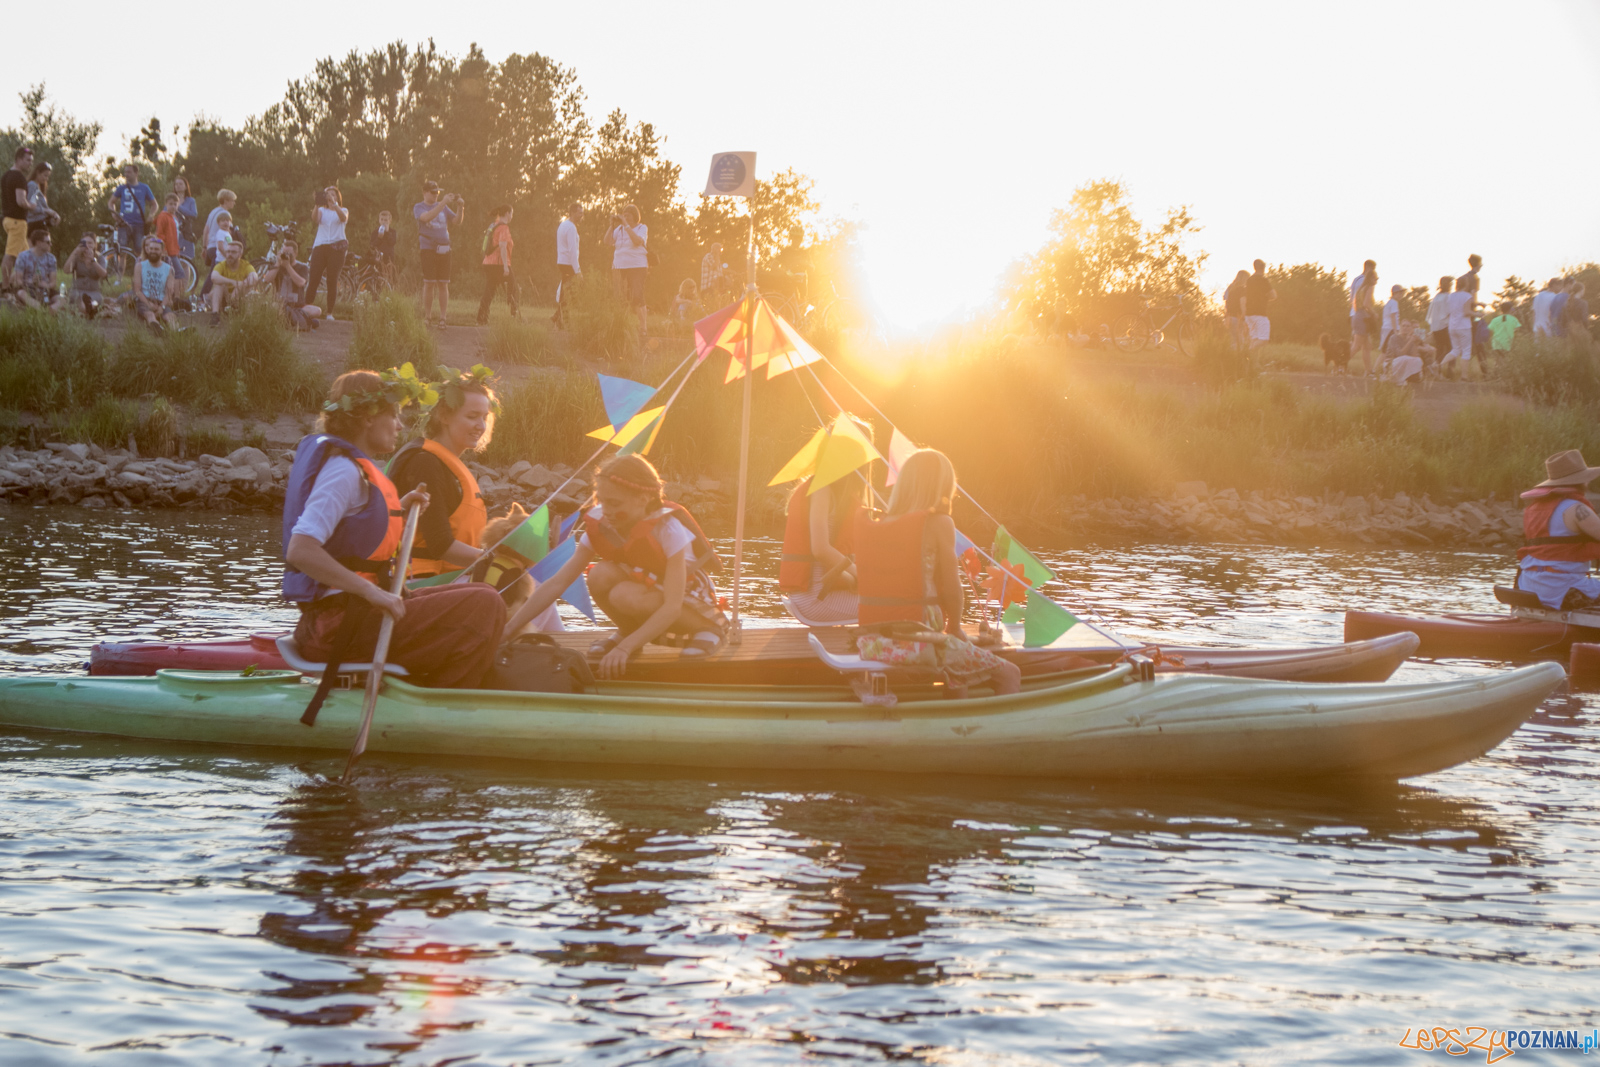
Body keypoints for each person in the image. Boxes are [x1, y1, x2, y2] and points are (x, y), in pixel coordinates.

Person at [283, 370, 507, 694]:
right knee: (485, 605)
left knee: (483, 596)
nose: (400, 426)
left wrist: (399, 508)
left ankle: (433, 688)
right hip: (338, 628)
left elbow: (356, 534)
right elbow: (300, 550)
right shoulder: (343, 472)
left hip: (354, 617)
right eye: (393, 415)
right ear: (368, 418)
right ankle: (446, 702)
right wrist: (372, 591)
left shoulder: (355, 471)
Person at [503, 454, 727, 678]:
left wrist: (624, 649)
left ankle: (708, 630)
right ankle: (629, 632)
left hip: (687, 597)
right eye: (600, 500)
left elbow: (672, 606)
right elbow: (557, 583)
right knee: (598, 574)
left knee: (624, 594)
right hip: (645, 585)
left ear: (643, 498)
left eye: (614, 503)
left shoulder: (669, 528)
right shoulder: (603, 523)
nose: (606, 510)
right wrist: (510, 628)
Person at [388, 370, 564, 632]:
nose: (480, 426)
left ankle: (554, 656)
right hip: (424, 585)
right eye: (471, 417)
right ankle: (549, 658)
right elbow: (440, 545)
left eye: (484, 417)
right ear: (444, 416)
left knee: (539, 590)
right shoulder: (425, 463)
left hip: (455, 576)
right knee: (535, 593)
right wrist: (498, 561)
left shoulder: (447, 462)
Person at [850, 449, 1022, 695]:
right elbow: (952, 589)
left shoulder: (876, 523)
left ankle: (950, 718)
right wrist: (954, 629)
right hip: (920, 642)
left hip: (872, 642)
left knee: (957, 672)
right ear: (943, 487)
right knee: (1010, 673)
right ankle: (1010, 728)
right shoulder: (939, 523)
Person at [778, 458, 872, 625]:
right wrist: (860, 574)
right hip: (814, 598)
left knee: (889, 598)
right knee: (892, 608)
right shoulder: (821, 489)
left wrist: (854, 579)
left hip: (823, 593)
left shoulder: (838, 494)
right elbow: (820, 550)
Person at [1515, 450, 1600, 610]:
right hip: (1563, 590)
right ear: (1582, 481)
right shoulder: (1577, 508)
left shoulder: (1533, 508)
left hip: (1528, 586)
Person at [414, 180, 462, 328]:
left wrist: (461, 206)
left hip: (444, 249)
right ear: (424, 192)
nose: (436, 195)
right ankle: (428, 316)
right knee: (429, 283)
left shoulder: (444, 207)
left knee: (443, 283)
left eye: (438, 193)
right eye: (433, 192)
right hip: (428, 248)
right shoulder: (419, 207)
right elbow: (426, 218)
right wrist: (442, 202)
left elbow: (456, 221)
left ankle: (443, 317)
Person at [304, 185, 349, 320]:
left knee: (332, 279)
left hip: (336, 248)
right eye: (327, 194)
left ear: (337, 197)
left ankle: (329, 312)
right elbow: (315, 219)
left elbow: (343, 218)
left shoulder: (343, 210)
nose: (330, 197)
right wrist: (317, 203)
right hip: (320, 246)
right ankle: (307, 308)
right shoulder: (322, 210)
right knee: (314, 278)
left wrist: (334, 204)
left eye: (333, 194)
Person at [260, 238, 321, 329]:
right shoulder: (277, 266)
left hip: (298, 306)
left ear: (296, 254)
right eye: (284, 253)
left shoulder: (302, 267)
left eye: (289, 253)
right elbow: (266, 280)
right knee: (273, 307)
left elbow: (301, 283)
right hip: (279, 303)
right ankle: (297, 320)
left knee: (317, 311)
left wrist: (288, 266)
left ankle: (288, 319)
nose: (286, 255)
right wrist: (277, 264)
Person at [609, 204, 649, 337]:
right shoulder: (619, 229)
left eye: (628, 216)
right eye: (623, 215)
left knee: (637, 296)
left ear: (635, 216)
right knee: (620, 297)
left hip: (637, 266)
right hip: (619, 266)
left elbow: (637, 241)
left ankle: (643, 327)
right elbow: (607, 241)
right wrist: (611, 226)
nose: (625, 218)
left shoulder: (641, 228)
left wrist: (626, 225)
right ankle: (622, 325)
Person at [476, 203, 519, 326]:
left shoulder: (493, 225)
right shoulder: (504, 227)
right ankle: (513, 316)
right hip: (499, 264)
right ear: (507, 213)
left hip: (488, 262)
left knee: (489, 290)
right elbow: (503, 246)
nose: (512, 216)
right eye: (512, 213)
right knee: (514, 288)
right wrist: (506, 266)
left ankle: (481, 318)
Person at [2, 145, 33, 294]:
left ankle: (19, 284)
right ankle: (6, 287)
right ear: (19, 159)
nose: (30, 164)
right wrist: (32, 206)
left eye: (31, 161)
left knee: (27, 256)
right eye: (27, 160)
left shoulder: (6, 175)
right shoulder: (19, 177)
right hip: (17, 221)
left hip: (7, 219)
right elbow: (21, 201)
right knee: (11, 255)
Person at [108, 164, 157, 255]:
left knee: (140, 250)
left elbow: (154, 204)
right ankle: (120, 269)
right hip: (123, 224)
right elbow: (111, 202)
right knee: (121, 251)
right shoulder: (121, 188)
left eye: (129, 172)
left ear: (136, 173)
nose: (126, 174)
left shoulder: (144, 188)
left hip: (139, 224)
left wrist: (151, 216)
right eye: (125, 172)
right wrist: (114, 214)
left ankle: (139, 268)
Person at [133, 235, 178, 329]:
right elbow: (137, 290)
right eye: (151, 248)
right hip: (145, 300)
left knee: (170, 317)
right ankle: (156, 328)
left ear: (162, 251)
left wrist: (162, 307)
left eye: (156, 249)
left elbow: (169, 292)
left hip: (162, 301)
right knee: (150, 314)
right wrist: (148, 304)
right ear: (148, 250)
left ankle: (177, 332)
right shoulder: (139, 266)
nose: (153, 251)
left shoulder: (169, 269)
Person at [199, 188, 236, 301]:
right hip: (218, 248)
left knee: (215, 274)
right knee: (214, 275)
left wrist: (204, 247)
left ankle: (213, 296)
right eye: (232, 200)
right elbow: (228, 232)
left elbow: (206, 230)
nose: (234, 203)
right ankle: (202, 298)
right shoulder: (225, 214)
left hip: (210, 246)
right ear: (225, 200)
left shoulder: (213, 211)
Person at [207, 240, 257, 324]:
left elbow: (254, 278)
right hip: (224, 298)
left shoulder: (245, 265)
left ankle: (248, 319)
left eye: (233, 252)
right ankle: (215, 315)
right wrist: (233, 282)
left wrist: (239, 286)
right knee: (218, 286)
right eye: (228, 252)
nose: (230, 255)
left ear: (240, 254)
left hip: (239, 298)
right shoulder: (222, 265)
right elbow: (214, 277)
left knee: (250, 289)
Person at [12, 228, 59, 313]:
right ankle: (42, 310)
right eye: (48, 242)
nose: (51, 244)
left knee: (62, 298)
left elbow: (53, 283)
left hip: (45, 289)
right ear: (38, 243)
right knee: (21, 293)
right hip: (28, 288)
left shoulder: (51, 258)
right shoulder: (23, 256)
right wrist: (30, 282)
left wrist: (46, 285)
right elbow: (17, 280)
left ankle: (50, 310)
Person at [552, 201, 582, 329]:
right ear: (573, 212)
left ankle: (557, 318)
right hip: (568, 264)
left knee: (565, 292)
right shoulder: (570, 227)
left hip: (562, 262)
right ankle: (564, 320)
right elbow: (572, 251)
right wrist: (578, 270)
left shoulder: (563, 225)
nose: (581, 216)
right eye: (580, 213)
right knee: (568, 294)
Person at [1440, 279, 1477, 379]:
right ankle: (1464, 376)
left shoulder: (1450, 296)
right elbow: (1466, 312)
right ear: (1466, 284)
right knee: (1466, 351)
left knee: (1455, 350)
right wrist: (1478, 314)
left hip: (1452, 326)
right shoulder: (1467, 296)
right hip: (1464, 326)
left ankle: (1439, 365)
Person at [64, 232, 107, 317]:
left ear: (95, 244)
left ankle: (86, 306)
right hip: (77, 291)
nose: (87, 245)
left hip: (93, 292)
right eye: (84, 242)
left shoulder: (100, 257)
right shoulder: (77, 257)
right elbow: (66, 270)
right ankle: (85, 308)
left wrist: (93, 260)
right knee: (74, 297)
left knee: (96, 300)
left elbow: (104, 275)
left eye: (90, 243)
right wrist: (75, 252)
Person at [1349, 259, 1378, 375]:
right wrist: (1373, 313)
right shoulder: (1368, 285)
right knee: (1357, 346)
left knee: (1367, 345)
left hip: (1355, 314)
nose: (1376, 280)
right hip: (1363, 316)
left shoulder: (1356, 280)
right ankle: (1340, 364)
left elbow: (1352, 299)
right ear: (1369, 269)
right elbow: (1366, 303)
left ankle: (1368, 370)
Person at [1382, 321, 1426, 386]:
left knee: (1418, 360)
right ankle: (1391, 377)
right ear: (1400, 327)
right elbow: (1400, 354)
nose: (1405, 328)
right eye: (1403, 326)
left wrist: (1415, 344)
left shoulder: (1411, 338)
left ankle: (1409, 377)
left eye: (1408, 326)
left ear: (1411, 328)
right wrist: (1410, 341)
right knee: (1404, 358)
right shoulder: (1394, 337)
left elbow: (1414, 356)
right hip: (1391, 363)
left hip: (1404, 363)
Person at [1243, 259, 1274, 350]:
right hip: (1260, 313)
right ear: (1263, 268)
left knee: (1255, 339)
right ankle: (1247, 353)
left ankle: (1253, 363)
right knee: (1264, 340)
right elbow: (1273, 295)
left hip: (1249, 314)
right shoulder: (1263, 280)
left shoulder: (1249, 280)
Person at [25, 162, 59, 236]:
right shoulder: (32, 185)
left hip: (41, 224)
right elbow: (30, 207)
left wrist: (53, 214)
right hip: (35, 225)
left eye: (48, 176)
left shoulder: (39, 187)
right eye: (45, 175)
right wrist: (47, 211)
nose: (46, 178)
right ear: (37, 172)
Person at [1427, 276, 1454, 367]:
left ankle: (1437, 370)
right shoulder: (1448, 297)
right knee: (1451, 349)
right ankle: (1448, 370)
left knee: (1440, 348)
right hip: (1445, 326)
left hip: (1435, 327)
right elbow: (1449, 312)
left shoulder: (1436, 297)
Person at [170, 174, 198, 263]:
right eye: (176, 184)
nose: (178, 186)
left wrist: (178, 206)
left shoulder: (191, 200)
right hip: (172, 230)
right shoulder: (170, 200)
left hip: (185, 232)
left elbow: (194, 214)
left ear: (186, 186)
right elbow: (165, 212)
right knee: (172, 258)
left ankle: (186, 277)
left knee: (186, 260)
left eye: (180, 184)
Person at [1223, 269, 1249, 349]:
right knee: (1240, 339)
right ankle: (1240, 358)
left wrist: (1226, 315)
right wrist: (1244, 316)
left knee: (1232, 340)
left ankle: (1231, 358)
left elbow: (1225, 300)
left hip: (1229, 316)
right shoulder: (1242, 289)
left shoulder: (1230, 288)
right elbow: (1242, 303)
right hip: (1238, 317)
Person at [153, 193, 182, 265]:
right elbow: (159, 234)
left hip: (173, 249)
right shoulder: (163, 216)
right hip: (167, 250)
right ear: (166, 204)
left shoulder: (174, 217)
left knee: (171, 273)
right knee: (179, 273)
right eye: (170, 204)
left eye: (175, 204)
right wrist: (163, 249)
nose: (173, 206)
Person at [369, 209, 397, 281]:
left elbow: (393, 242)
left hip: (389, 259)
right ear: (379, 220)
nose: (384, 222)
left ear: (390, 221)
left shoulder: (393, 232)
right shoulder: (375, 232)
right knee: (378, 279)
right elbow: (372, 246)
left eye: (386, 220)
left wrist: (387, 233)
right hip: (378, 259)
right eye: (382, 220)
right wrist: (379, 238)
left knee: (390, 278)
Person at [1566, 282, 1592, 355]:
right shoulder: (1583, 303)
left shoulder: (1567, 302)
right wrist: (1587, 331)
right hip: (1581, 332)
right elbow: (1584, 319)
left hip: (1570, 333)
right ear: (1581, 290)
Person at [701, 241, 729, 306]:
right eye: (719, 249)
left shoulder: (717, 259)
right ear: (713, 249)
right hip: (708, 288)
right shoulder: (708, 256)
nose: (720, 251)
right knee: (710, 307)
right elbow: (714, 266)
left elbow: (719, 272)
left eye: (721, 249)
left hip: (715, 288)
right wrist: (716, 255)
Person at [1380, 284, 1403, 355]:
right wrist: (1395, 330)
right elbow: (1393, 316)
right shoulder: (1394, 303)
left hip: (1386, 327)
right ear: (1395, 293)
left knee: (1387, 350)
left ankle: (1385, 365)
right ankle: (1376, 366)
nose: (1401, 295)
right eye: (1400, 293)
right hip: (1391, 329)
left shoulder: (1389, 302)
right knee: (1386, 351)